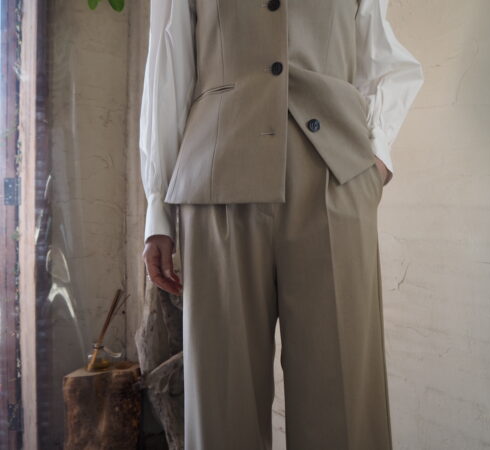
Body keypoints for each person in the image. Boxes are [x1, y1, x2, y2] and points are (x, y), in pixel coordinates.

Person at [140, 0, 424, 448]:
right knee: (221, 400)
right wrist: (158, 208)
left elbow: (386, 60)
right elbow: (167, 67)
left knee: (343, 394)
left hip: (334, 176)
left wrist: (378, 156)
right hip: (217, 178)